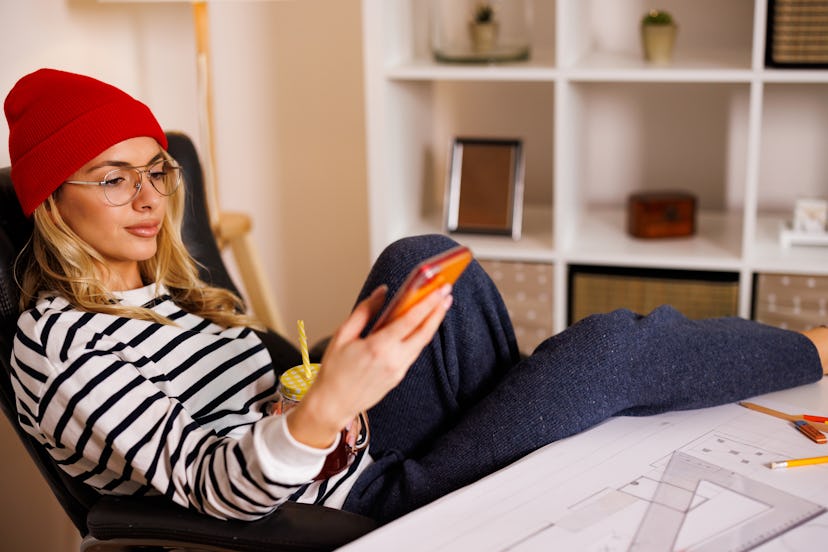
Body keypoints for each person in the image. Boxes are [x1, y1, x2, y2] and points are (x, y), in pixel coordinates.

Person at [5, 68, 828, 527]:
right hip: (336, 505)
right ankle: (817, 350)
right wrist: (326, 406)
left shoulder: (162, 290)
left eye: (157, 171)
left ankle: (517, 446)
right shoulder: (65, 348)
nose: (149, 199)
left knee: (427, 258)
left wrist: (333, 378)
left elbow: (262, 390)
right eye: (114, 179)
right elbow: (219, 486)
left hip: (349, 442)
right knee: (606, 350)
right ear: (52, 201)